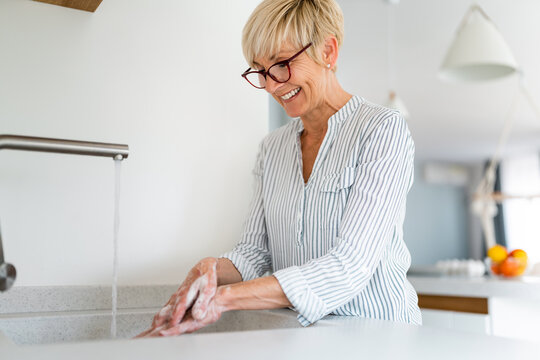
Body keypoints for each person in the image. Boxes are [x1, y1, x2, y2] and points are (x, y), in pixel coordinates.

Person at [137, 0, 421, 337]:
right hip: (302, 337)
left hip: (381, 337)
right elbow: (255, 254)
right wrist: (211, 269)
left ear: (328, 51)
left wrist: (224, 299)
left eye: (282, 63)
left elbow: (351, 264)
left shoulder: (381, 130)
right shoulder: (271, 149)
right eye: (260, 70)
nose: (271, 85)